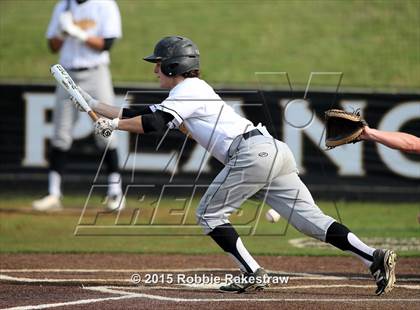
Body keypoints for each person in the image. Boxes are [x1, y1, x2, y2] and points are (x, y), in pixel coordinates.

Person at [70, 36, 397, 295]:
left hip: (253, 154)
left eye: (158, 64)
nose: (155, 70)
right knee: (313, 223)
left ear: (173, 66)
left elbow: (154, 124)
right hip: (271, 151)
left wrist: (112, 127)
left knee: (208, 214)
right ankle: (373, 257)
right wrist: (94, 104)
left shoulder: (189, 89)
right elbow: (137, 115)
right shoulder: (188, 91)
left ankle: (253, 273)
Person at [33, 0, 124, 211]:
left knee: (106, 130)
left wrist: (78, 32)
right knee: (60, 133)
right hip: (67, 74)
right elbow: (52, 46)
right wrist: (63, 33)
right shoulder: (63, 6)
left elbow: (106, 44)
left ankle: (115, 192)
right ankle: (53, 193)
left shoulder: (105, 4)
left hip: (95, 72)